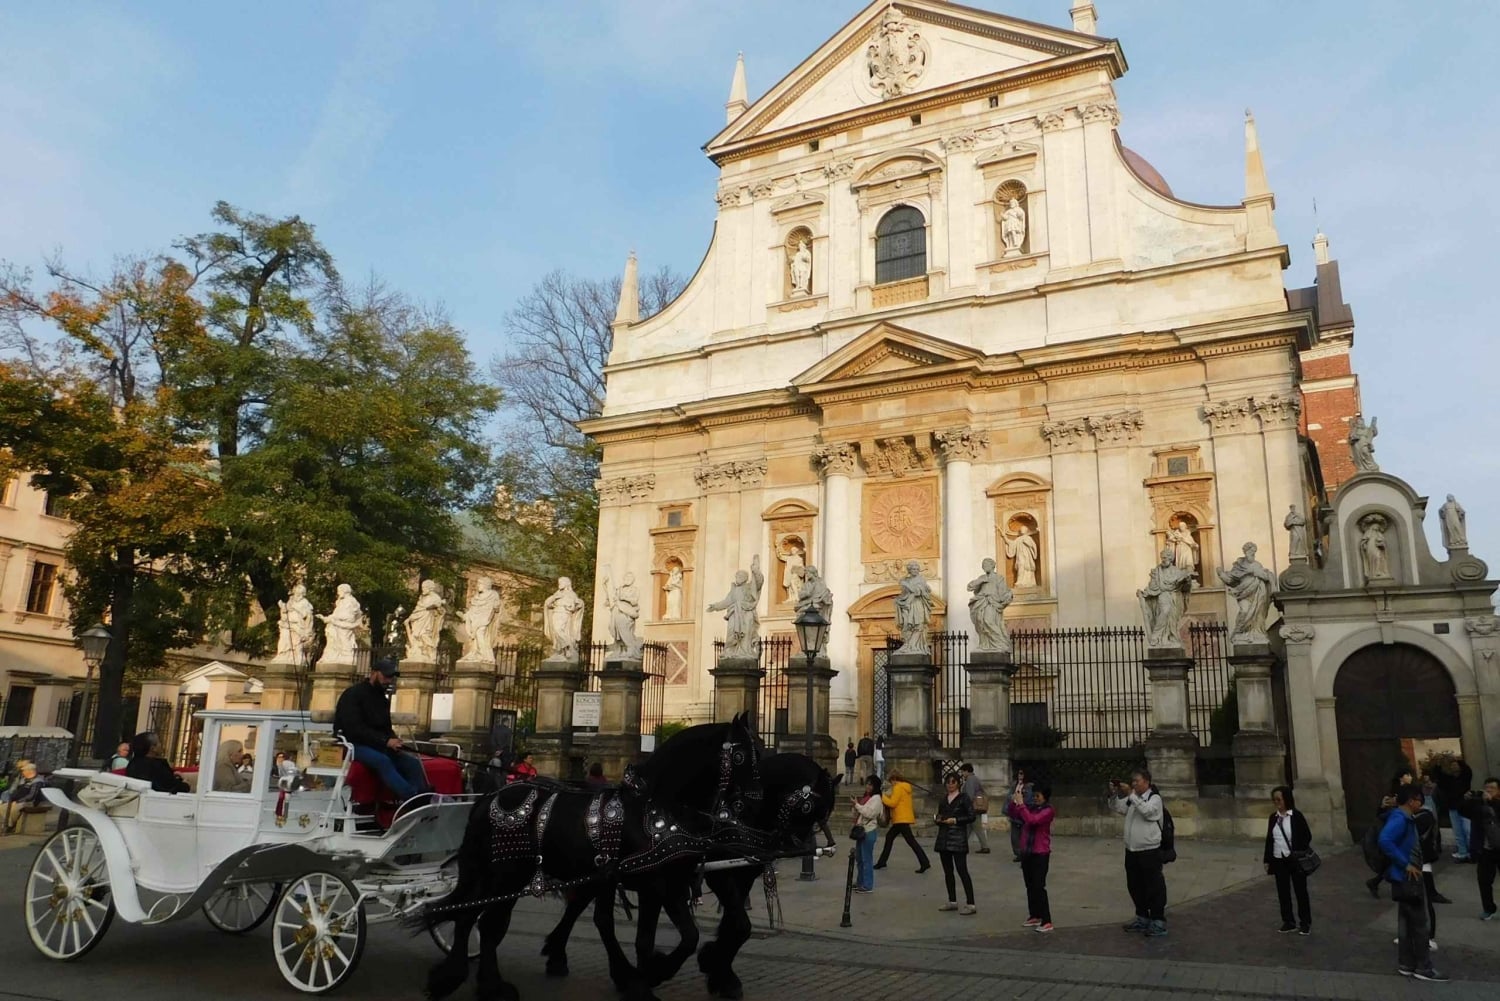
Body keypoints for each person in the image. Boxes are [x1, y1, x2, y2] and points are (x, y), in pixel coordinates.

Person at [333, 655, 430, 802]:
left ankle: (422, 797)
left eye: (391, 677)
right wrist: (385, 741)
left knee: (413, 763)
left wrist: (394, 740)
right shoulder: (352, 694)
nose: (388, 680)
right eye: (386, 676)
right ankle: (412, 797)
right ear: (373, 673)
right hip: (352, 744)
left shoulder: (382, 699)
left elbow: (386, 727)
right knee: (383, 761)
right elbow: (354, 729)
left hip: (377, 744)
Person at [1379, 784, 1447, 981]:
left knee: (1406, 922)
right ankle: (1423, 967)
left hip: (1403, 876)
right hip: (1409, 877)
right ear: (1411, 801)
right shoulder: (1401, 819)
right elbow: (1385, 840)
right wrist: (1405, 863)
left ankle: (1407, 964)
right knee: (1419, 923)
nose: (1420, 804)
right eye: (1419, 800)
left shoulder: (1401, 817)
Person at [1109, 769, 1168, 937]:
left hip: (1149, 850)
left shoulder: (1154, 799)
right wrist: (1113, 794)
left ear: (1147, 782)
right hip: (1132, 849)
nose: (1134, 784)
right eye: (1133, 781)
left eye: (1137, 781)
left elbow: (1148, 812)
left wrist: (1132, 795)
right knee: (1135, 885)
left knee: (1154, 886)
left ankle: (1158, 920)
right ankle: (1142, 916)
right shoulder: (1133, 798)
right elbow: (1119, 808)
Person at [1263, 785, 1313, 935]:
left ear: (1287, 799)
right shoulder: (1273, 818)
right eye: (1274, 800)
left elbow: (1307, 836)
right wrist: (1267, 860)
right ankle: (1288, 921)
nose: (1276, 802)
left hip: (1295, 859)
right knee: (1283, 892)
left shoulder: (1296, 816)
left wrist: (1297, 850)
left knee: (1300, 891)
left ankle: (1305, 922)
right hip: (1278, 859)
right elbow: (1269, 840)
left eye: (1279, 799)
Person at [1009, 779, 1055, 932]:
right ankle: (1035, 915)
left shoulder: (1048, 810)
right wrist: (1015, 801)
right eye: (1034, 795)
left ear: (1045, 797)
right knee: (1029, 885)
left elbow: (1032, 820)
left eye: (1038, 796)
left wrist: (1021, 805)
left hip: (1040, 853)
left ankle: (1046, 920)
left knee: (1039, 886)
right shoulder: (1031, 808)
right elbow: (1014, 814)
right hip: (1027, 852)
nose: (1035, 798)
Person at [1454, 777, 1500, 920]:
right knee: (1484, 881)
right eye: (1486, 788)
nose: (1488, 790)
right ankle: (1488, 909)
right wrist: (1466, 799)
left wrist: (1491, 802)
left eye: (1492, 788)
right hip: (1484, 849)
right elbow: (1462, 811)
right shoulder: (1478, 804)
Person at [934, 772, 977, 915]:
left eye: (953, 782)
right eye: (948, 782)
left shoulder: (964, 798)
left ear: (958, 783)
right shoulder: (943, 799)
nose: (950, 785)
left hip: (958, 838)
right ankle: (952, 901)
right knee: (948, 872)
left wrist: (956, 820)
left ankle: (971, 903)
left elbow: (971, 816)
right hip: (944, 838)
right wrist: (938, 819)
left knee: (962, 870)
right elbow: (940, 814)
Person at [874, 768, 930, 874]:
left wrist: (882, 797)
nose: (891, 783)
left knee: (910, 841)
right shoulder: (905, 787)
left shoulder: (898, 787)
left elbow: (892, 803)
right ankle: (882, 861)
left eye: (891, 781)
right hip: (903, 818)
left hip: (900, 819)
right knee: (890, 837)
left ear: (894, 779)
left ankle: (924, 862)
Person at [1434, 755, 1475, 863]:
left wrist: (1459, 760)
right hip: (1453, 808)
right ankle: (1463, 852)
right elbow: (1439, 777)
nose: (1454, 767)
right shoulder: (1448, 780)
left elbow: (1468, 770)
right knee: (1458, 832)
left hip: (1465, 808)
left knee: (1468, 830)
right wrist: (1438, 765)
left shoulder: (1465, 778)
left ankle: (1472, 853)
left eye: (1456, 765)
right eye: (1452, 766)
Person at [125, 732, 190, 794]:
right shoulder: (157, 766)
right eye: (159, 742)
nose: (161, 745)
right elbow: (172, 787)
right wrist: (185, 782)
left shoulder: (132, 764)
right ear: (153, 748)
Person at [850, 775, 883, 893]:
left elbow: (869, 813)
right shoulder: (867, 797)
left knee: (866, 859)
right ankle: (860, 881)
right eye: (867, 784)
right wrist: (855, 806)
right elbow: (860, 811)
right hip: (861, 830)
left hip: (869, 831)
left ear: (875, 786)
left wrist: (857, 805)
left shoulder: (877, 799)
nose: (868, 786)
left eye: (870, 784)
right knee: (859, 859)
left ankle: (868, 885)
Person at [0, 761, 44, 833]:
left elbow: (32, 796)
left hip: (30, 802)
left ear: (30, 771)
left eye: (24, 771)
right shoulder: (23, 780)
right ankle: (7, 823)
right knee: (2, 807)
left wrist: (17, 801)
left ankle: (8, 825)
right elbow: (14, 790)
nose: (23, 772)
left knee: (14, 809)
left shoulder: (38, 781)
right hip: (17, 801)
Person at [959, 763, 990, 854]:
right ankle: (962, 844)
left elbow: (970, 795)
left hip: (973, 808)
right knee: (969, 827)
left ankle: (985, 847)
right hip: (975, 807)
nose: (962, 774)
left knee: (976, 827)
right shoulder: (974, 778)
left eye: (963, 772)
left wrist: (965, 806)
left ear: (967, 771)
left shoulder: (970, 780)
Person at [1009, 768, 1036, 862]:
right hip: (1014, 812)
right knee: (1014, 836)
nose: (1020, 775)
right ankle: (1018, 853)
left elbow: (1029, 800)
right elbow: (1009, 797)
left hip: (1023, 812)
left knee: (1024, 835)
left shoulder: (1029, 786)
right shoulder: (1014, 785)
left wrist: (1021, 801)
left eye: (1022, 774)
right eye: (1019, 773)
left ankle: (1025, 853)